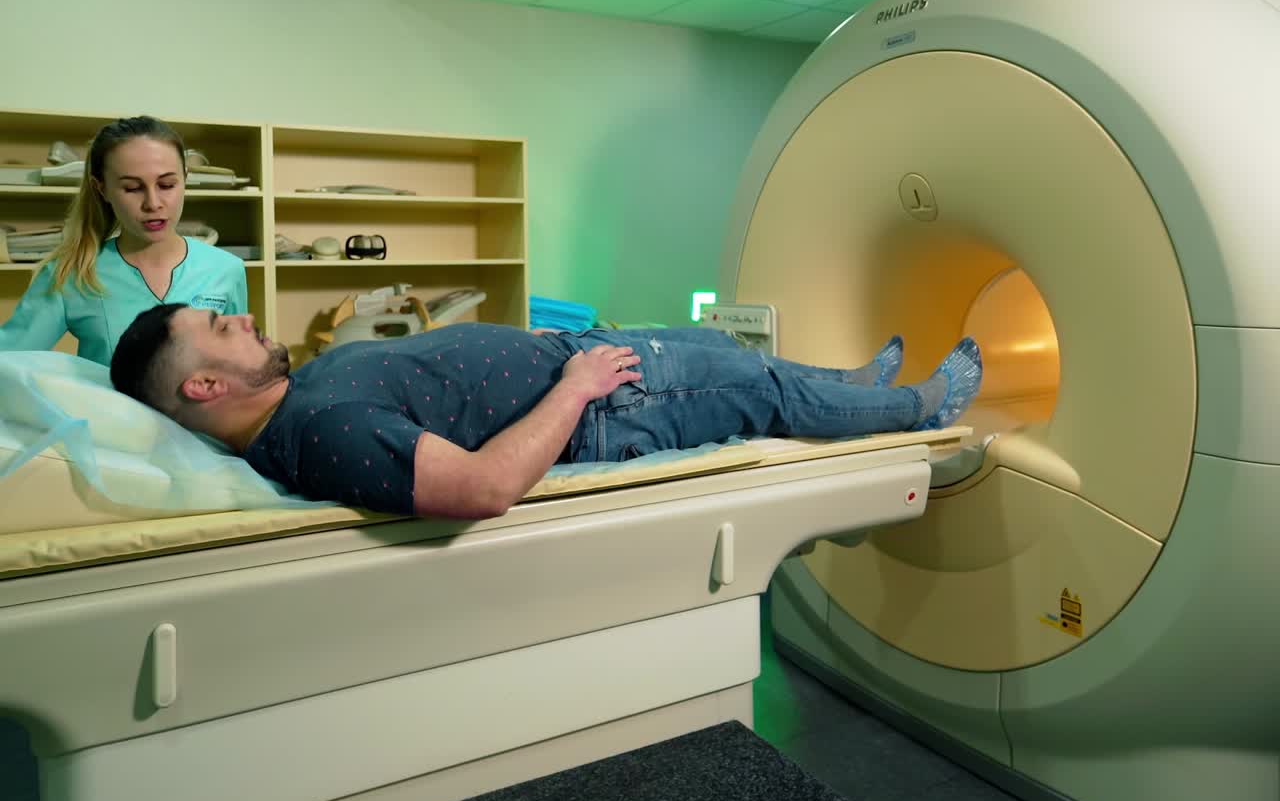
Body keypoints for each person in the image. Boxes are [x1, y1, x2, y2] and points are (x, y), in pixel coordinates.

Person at [110, 306, 983, 520]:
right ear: (202, 389)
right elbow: (483, 487)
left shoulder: (293, 405)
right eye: (222, 329)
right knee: (760, 393)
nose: (245, 320)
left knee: (739, 356)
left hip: (583, 360)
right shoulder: (319, 436)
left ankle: (857, 383)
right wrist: (577, 386)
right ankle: (915, 408)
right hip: (604, 404)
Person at [0, 116, 247, 365]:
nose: (153, 203)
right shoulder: (71, 274)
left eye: (167, 184)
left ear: (185, 179)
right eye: (132, 188)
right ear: (102, 189)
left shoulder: (226, 270)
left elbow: (239, 365)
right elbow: (7, 363)